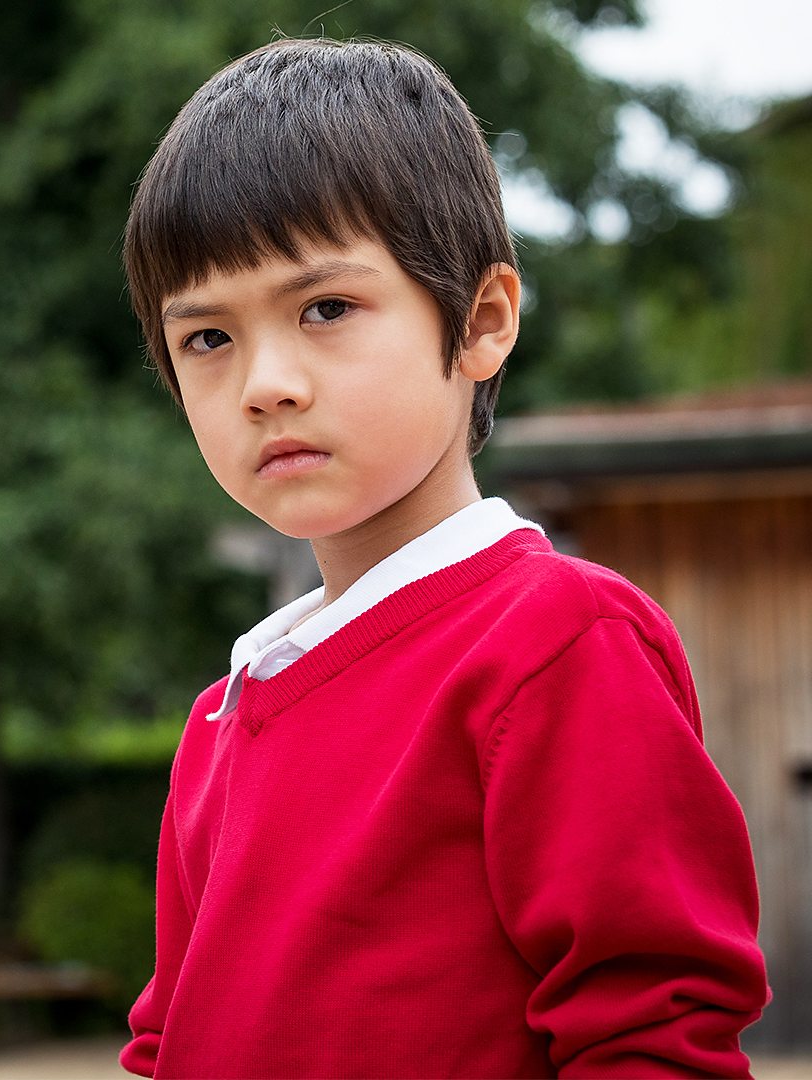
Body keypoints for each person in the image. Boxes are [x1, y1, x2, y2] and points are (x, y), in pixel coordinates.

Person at [118, 39, 769, 1077]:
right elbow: (167, 1041)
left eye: (324, 309)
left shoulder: (558, 642)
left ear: (482, 320)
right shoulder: (222, 719)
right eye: (207, 339)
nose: (265, 383)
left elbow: (653, 1029)